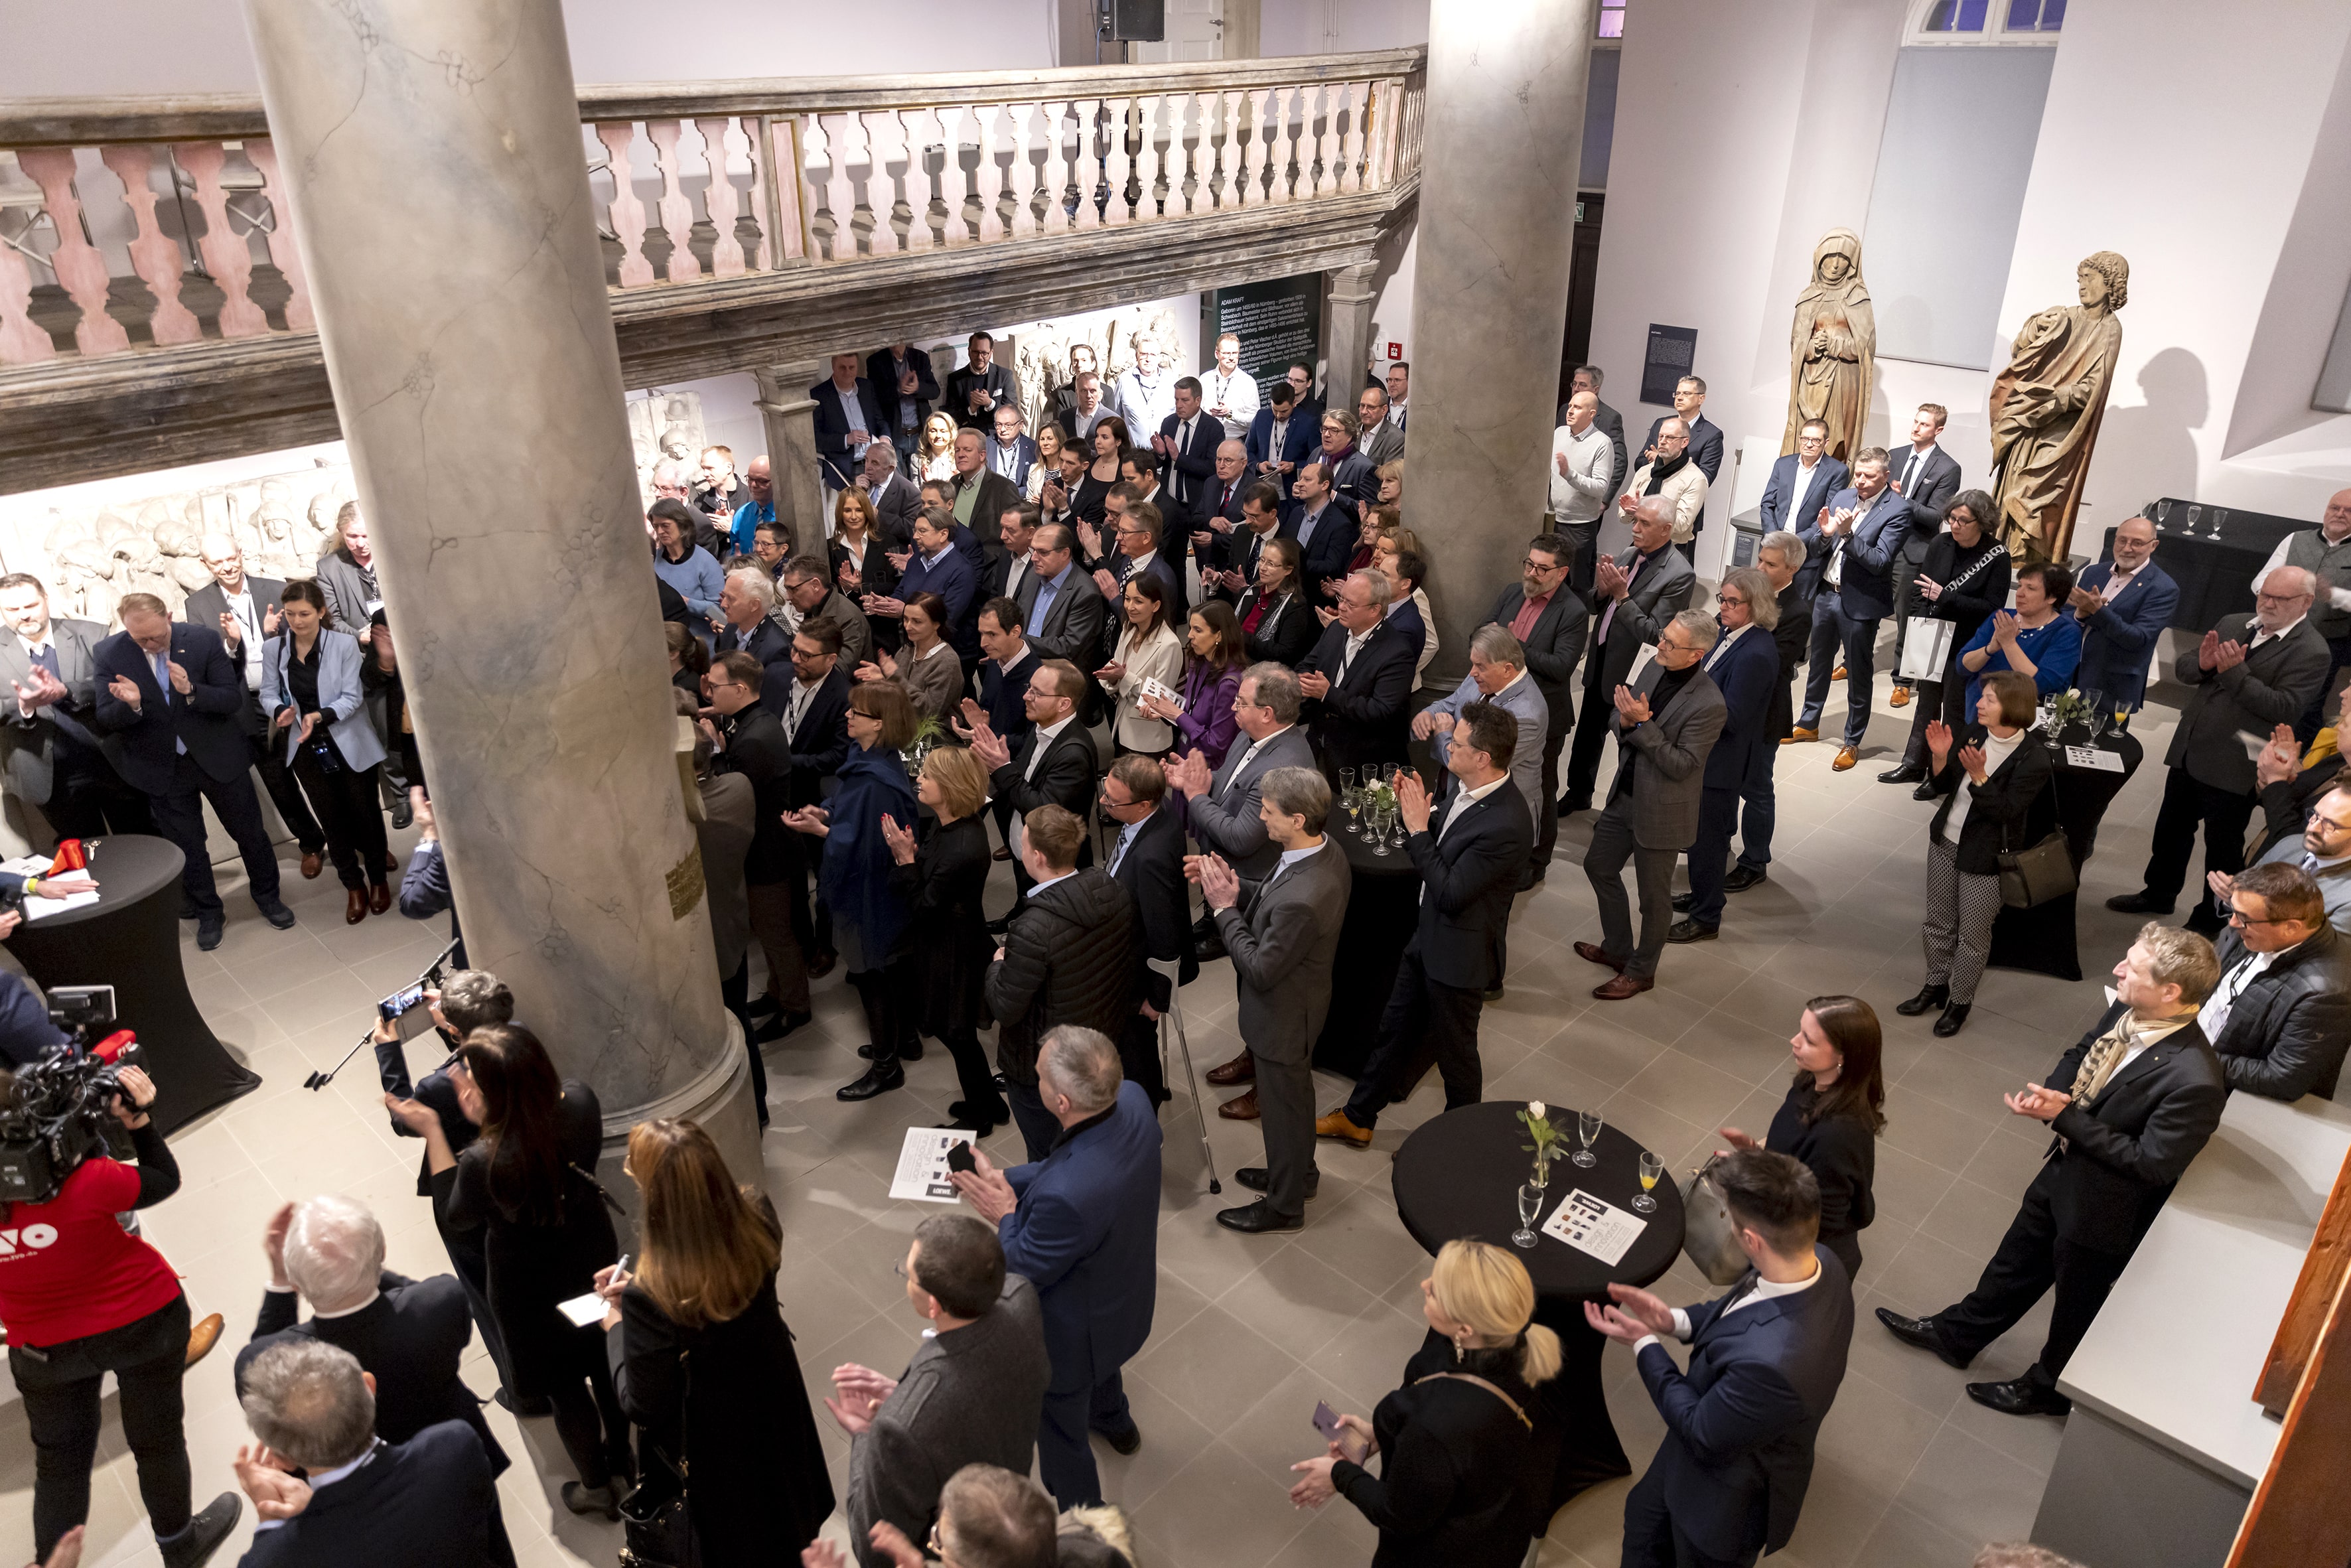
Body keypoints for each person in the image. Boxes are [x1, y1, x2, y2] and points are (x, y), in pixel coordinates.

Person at [1879, 925, 2227, 1417]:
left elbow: (2152, 1162)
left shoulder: (2194, 1079)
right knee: (2015, 1260)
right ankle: (1956, 1335)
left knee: (2074, 1304)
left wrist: (2065, 1118)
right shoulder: (2131, 1008)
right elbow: (2082, 1049)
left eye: (2132, 966)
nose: (2117, 970)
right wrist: (2055, 1092)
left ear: (2171, 991)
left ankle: (2048, 1387)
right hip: (2065, 1167)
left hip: (2104, 1207)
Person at [0, 1060, 242, 1568]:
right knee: (157, 1440)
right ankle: (180, 1546)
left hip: (41, 1348)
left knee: (60, 1466)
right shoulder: (87, 1180)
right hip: (143, 1321)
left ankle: (53, 1564)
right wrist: (139, 1123)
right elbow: (161, 1179)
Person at [390, 1026, 630, 1515]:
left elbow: (456, 1216)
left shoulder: (486, 1158)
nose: (465, 1087)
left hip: (531, 1289)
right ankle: (626, 1457)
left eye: (473, 1080)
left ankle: (595, 1486)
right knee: (605, 1362)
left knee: (565, 1388)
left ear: (494, 1093)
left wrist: (438, 1130)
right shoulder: (581, 1101)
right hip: (591, 1258)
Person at [1588, 1149, 1853, 1568]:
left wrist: (1645, 1344)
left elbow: (1700, 1429)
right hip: (1696, 1452)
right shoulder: (1819, 1261)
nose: (1728, 1224)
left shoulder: (1775, 1365)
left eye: (1729, 1218)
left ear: (1752, 1241)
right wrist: (1671, 1320)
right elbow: (1744, 1307)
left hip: (1721, 1503)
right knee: (1642, 1519)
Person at [596, 1119, 832, 1564]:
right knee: (789, 1523)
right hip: (774, 1404)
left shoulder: (652, 1296)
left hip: (719, 1444)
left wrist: (616, 1324)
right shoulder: (757, 1212)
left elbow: (642, 1402)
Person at [948, 1027, 1161, 1509]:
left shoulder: (1069, 1197)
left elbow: (1021, 1264)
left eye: (1040, 1075)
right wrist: (1006, 1176)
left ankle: (1083, 1519)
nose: (1033, 1078)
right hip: (1125, 1295)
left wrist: (1003, 1212)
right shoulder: (1131, 1098)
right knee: (1105, 1372)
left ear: (1061, 1101)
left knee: (1061, 1434)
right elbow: (1070, 1164)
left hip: (1073, 1336)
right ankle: (1115, 1420)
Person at [236, 1196, 514, 1560]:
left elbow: (265, 1365)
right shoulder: (441, 1304)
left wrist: (282, 1283)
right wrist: (357, 1262)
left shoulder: (266, 1361)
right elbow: (411, 1296)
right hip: (441, 1472)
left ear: (299, 1284)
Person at [1320, 707, 1530, 1149]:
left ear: (1483, 757)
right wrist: (1418, 810)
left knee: (1456, 1058)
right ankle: (1358, 1117)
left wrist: (1416, 828)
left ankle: (1453, 1145)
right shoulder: (1464, 786)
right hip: (1428, 936)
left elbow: (1452, 891)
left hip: (1460, 953)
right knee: (1393, 1029)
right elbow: (1446, 839)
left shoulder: (1506, 823)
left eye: (1457, 744)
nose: (1447, 747)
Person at [1288, 1240, 1557, 1567]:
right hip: (1497, 1526)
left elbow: (1397, 1514)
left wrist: (1339, 1474)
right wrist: (1378, 1435)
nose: (1424, 1284)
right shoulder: (1515, 1343)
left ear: (1465, 1328)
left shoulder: (1437, 1428)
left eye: (1436, 1291)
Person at [825, 1215, 1051, 1568]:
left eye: (908, 1274)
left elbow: (874, 1546)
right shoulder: (1021, 1296)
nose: (905, 1277)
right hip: (1011, 1484)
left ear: (933, 1305)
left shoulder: (899, 1430)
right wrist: (905, 1396)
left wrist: (866, 1433)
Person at [2109, 568, 2330, 928]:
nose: (2267, 603)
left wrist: (2234, 672)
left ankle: (2213, 916)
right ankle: (2158, 893)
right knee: (2170, 830)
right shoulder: (2235, 622)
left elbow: (2285, 707)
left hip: (2235, 763)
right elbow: (2184, 669)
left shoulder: (2312, 650)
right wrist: (2202, 664)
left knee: (2222, 845)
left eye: (2280, 598)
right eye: (2264, 594)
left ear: (2306, 602)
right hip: (2190, 749)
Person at [1188, 766, 1350, 1229]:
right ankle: (1298, 1174)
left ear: (1298, 819)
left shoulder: (1306, 895)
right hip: (1299, 1003)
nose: (1260, 817)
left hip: (1284, 1014)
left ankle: (1284, 1204)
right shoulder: (1323, 850)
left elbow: (1260, 967)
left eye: (1269, 810)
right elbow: (1277, 894)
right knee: (1293, 1101)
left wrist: (1222, 908)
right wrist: (1238, 889)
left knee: (1282, 1111)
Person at [92, 593, 295, 950]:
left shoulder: (201, 639)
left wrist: (191, 691)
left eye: (157, 636)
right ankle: (209, 913)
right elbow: (106, 718)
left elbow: (231, 700)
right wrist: (133, 706)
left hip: (219, 757)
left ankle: (268, 898)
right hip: (162, 768)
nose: (151, 645)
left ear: (168, 617)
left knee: (250, 833)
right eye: (141, 640)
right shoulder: (110, 653)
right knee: (188, 847)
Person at [233, 1340, 500, 1568]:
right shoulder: (453, 1446)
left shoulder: (275, 1558)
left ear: (282, 1460)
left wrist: (272, 1524)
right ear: (369, 1387)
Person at [1896, 672, 2054, 1038]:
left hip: (1985, 857)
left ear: (2012, 707)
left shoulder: (2033, 759)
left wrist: (1981, 777)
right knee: (1937, 921)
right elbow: (1944, 785)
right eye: (1982, 697)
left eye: (1989, 700)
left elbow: (2005, 812)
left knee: (1973, 935)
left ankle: (1960, 1002)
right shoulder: (1974, 732)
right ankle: (1935, 986)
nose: (1979, 705)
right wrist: (1939, 758)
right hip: (1945, 840)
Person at [1579, 610, 1727, 999]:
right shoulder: (1654, 664)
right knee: (1598, 866)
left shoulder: (1710, 704)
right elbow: (1618, 711)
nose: (1660, 645)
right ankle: (1617, 949)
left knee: (1654, 900)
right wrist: (1628, 723)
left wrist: (1643, 726)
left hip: (1662, 809)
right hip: (1624, 796)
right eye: (1664, 636)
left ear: (1695, 655)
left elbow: (1683, 765)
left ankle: (1642, 971)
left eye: (1670, 643)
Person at [787, 680, 920, 1101]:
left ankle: (886, 1066)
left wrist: (822, 828)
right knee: (891, 969)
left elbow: (864, 843)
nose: (847, 717)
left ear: (878, 725)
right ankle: (905, 1039)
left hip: (871, 893)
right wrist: (825, 811)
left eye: (856, 713)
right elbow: (848, 807)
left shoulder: (877, 780)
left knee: (871, 974)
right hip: (874, 887)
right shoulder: (867, 759)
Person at [984, 808, 1140, 1160]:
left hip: (1043, 1064)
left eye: (1022, 844)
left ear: (1037, 856)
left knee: (1046, 1157)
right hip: (1098, 1043)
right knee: (1088, 1145)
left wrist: (997, 965)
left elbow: (1005, 1008)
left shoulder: (1032, 929)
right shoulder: (1111, 889)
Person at [882, 745, 1007, 1130]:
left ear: (950, 787)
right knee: (957, 1033)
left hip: (954, 949)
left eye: (928, 775)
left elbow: (924, 907)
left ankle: (982, 1116)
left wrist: (905, 861)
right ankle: (988, 1104)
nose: (919, 778)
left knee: (957, 1033)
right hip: (949, 939)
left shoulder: (963, 847)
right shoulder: (949, 825)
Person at [1718, 998, 1883, 1280]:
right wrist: (1757, 1154)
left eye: (1809, 1039)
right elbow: (1796, 1151)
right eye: (1799, 1030)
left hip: (1801, 1260)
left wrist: (1749, 1183)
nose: (1794, 1041)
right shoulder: (1811, 1081)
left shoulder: (1837, 1136)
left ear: (1843, 1055)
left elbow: (1814, 1222)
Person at [185, 539, 324, 869]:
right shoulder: (199, 605)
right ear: (206, 565)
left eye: (231, 557)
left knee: (319, 772)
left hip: (293, 696)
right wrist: (231, 644)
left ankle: (348, 837)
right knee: (278, 781)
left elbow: (312, 637)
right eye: (218, 562)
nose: (228, 566)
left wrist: (272, 638)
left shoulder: (277, 589)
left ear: (241, 555)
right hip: (247, 707)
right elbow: (204, 662)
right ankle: (312, 843)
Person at [260, 580, 390, 925]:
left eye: (304, 614)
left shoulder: (344, 644)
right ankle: (353, 885)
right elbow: (268, 693)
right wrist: (279, 711)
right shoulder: (275, 649)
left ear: (321, 612)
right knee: (331, 819)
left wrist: (319, 715)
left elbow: (352, 697)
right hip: (304, 746)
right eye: (290, 614)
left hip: (347, 739)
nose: (297, 621)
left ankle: (377, 879)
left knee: (366, 814)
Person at [1561, 498, 1695, 814]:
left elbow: (1657, 635)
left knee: (1628, 745)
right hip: (1601, 661)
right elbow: (1597, 606)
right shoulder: (1628, 553)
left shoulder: (1679, 574)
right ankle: (1578, 793)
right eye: (1635, 521)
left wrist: (1622, 597)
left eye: (1644, 524)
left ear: (1666, 529)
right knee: (1587, 737)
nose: (1635, 528)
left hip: (1634, 673)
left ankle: (1619, 813)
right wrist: (1605, 591)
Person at [705, 651, 812, 1040]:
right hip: (768, 848)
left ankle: (796, 1006)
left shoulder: (753, 738)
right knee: (769, 932)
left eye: (714, 686)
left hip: (769, 854)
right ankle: (776, 992)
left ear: (740, 688)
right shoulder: (753, 722)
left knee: (777, 935)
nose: (710, 692)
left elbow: (738, 796)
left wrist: (716, 755)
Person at [1672, 567, 1783, 944]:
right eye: (1722, 598)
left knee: (1710, 839)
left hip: (1723, 762)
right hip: (1709, 756)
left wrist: (1689, 708)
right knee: (1702, 837)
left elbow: (1733, 717)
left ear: (1757, 605)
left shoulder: (1756, 653)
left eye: (1732, 602)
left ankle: (1706, 917)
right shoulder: (1729, 635)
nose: (1723, 607)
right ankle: (1704, 894)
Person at [1791, 447, 1918, 772]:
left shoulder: (1898, 510)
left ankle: (1852, 741)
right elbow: (1822, 546)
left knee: (1859, 675)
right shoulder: (1844, 497)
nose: (1860, 481)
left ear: (1886, 477)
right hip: (1826, 593)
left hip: (1860, 602)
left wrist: (1847, 535)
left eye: (1869, 476)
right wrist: (1825, 534)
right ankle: (1808, 723)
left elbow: (1879, 562)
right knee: (1817, 664)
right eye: (1858, 474)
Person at [0, 572, 151, 842]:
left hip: (113, 763)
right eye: (12, 609)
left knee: (144, 842)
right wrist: (23, 706)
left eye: (31, 605)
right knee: (89, 858)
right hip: (49, 776)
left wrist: (69, 691)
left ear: (46, 599)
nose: (23, 615)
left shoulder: (92, 633)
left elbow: (125, 683)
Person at [1880, 490, 2011, 790]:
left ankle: (1944, 776)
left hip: (1966, 642)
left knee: (1953, 710)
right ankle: (1914, 763)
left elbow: (1992, 608)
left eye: (1963, 520)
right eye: (1952, 518)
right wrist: (1914, 628)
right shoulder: (1941, 543)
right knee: (1926, 704)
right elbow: (1921, 590)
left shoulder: (1998, 555)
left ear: (1983, 522)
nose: (1955, 525)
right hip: (1932, 634)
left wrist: (1947, 598)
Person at [2196, 862, 2350, 1101]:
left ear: (2291, 928)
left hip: (2222, 1090)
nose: (2233, 923)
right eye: (2234, 911)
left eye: (2243, 917)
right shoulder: (2256, 930)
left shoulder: (2326, 994)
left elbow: (2283, 1078)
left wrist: (2191, 1058)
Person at [1099, 754, 1193, 1107]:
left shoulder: (1151, 858)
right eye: (1105, 792)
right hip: (1127, 940)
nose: (1104, 803)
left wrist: (1157, 998)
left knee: (1135, 1050)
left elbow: (1163, 929)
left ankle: (1144, 1117)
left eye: (1112, 799)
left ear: (1143, 804)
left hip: (1137, 976)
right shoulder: (1158, 811)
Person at [969, 659, 1100, 905]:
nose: (1026, 697)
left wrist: (1002, 768)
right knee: (1026, 896)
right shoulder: (1041, 727)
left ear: (1064, 703)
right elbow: (1025, 772)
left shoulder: (1073, 753)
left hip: (1052, 860)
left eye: (1037, 693)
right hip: (1028, 845)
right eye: (1030, 688)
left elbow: (1043, 809)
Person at [1732, 530, 1814, 892]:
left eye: (1770, 564)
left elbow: (1772, 665)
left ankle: (1754, 860)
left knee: (1756, 787)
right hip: (1732, 703)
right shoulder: (1748, 595)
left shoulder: (1797, 612)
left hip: (1764, 712)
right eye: (1760, 560)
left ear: (1792, 569)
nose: (1760, 568)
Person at [688, 722, 762, 1121]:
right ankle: (760, 1105)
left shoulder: (690, 817)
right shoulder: (739, 786)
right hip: (734, 913)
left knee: (727, 1026)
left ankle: (747, 1111)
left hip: (709, 931)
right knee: (740, 1015)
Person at [1414, 626, 1547, 828]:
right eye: (1473, 664)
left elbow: (1475, 765)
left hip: (1495, 818)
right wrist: (1428, 714)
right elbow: (1452, 703)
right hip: (1454, 795)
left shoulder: (1526, 715)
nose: (1472, 672)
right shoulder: (1482, 676)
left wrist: (1443, 735)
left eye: (1480, 666)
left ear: (1507, 669)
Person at [2251, 486, 2351, 736]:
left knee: (2308, 705)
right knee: (2262, 689)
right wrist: (2282, 592)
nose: (2340, 514)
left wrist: (2333, 595)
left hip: (2328, 641)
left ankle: (2299, 763)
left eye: (2349, 511)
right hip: (2277, 633)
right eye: (2334, 508)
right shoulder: (2295, 539)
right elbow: (2259, 581)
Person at [1298, 569, 1415, 780]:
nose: (1341, 607)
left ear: (1375, 610)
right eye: (1342, 599)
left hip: (1363, 763)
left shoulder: (1397, 653)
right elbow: (1308, 664)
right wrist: (1304, 681)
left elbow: (1381, 711)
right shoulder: (1336, 629)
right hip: (1319, 747)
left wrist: (1327, 694)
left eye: (1351, 605)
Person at [1885, 403, 1963, 706]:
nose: (1916, 428)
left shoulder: (1947, 467)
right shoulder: (1896, 455)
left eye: (1924, 425)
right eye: (1916, 422)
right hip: (1882, 542)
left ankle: (1903, 680)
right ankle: (1853, 663)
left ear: (1938, 430)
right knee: (1866, 605)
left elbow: (1935, 517)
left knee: (1906, 616)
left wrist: (1902, 500)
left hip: (1914, 548)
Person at [2068, 512, 2178, 721]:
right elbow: (2068, 615)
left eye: (2137, 543)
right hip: (2069, 675)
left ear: (2153, 546)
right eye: (2122, 540)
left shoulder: (2163, 588)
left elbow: (2138, 639)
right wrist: (2079, 615)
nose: (2127, 548)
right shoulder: (2094, 573)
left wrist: (2098, 612)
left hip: (2110, 688)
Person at [2237, 745, 2351, 930]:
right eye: (2314, 816)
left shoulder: (2345, 899)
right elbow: (2286, 799)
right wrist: (2274, 779)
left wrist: (2275, 780)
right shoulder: (2339, 761)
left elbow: (2289, 831)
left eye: (2330, 825)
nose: (2312, 827)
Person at [1954, 560, 2084, 713]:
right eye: (2020, 585)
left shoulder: (2066, 632)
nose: (2020, 593)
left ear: (2052, 598)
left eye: (2030, 588)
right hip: (1980, 712)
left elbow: (2040, 684)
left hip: (2023, 717)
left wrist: (2009, 644)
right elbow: (1962, 666)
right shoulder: (2002, 617)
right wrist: (1990, 649)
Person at [1134, 599, 1245, 772]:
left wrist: (1176, 714)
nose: (1189, 635)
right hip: (1186, 756)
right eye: (1191, 628)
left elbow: (1215, 744)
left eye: (1198, 630)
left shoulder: (1230, 684)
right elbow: (1190, 710)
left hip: (1208, 770)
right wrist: (1165, 712)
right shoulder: (1199, 662)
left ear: (1219, 635)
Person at [1097, 575, 1184, 758]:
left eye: (1138, 601)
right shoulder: (1129, 629)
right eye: (1127, 599)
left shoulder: (1169, 644)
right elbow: (1117, 666)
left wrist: (1123, 677)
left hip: (1149, 736)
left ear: (1156, 606)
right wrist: (1112, 677)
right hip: (1123, 726)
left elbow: (1158, 698)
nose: (1130, 606)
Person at [855, 591, 962, 722]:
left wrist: (893, 677)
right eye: (905, 619)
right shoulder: (906, 650)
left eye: (917, 622)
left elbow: (928, 713)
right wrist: (882, 680)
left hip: (935, 738)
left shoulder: (947, 662)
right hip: (903, 729)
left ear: (936, 624)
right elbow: (896, 698)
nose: (908, 627)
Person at [1019, 523, 1110, 674]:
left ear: (1065, 554)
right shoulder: (1032, 577)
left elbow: (1069, 647)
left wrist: (1019, 643)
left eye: (1042, 552)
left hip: (1058, 679)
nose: (1034, 558)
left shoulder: (1085, 593)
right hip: (1023, 668)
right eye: (1033, 550)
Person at [1549, 391, 1614, 597]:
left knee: (1576, 586)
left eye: (1577, 408)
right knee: (1550, 579)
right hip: (1552, 519)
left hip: (1580, 526)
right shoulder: (1559, 433)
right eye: (1570, 406)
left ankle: (1575, 626)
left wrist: (1570, 474)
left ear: (1591, 414)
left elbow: (1600, 487)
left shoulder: (1602, 443)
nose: (1570, 411)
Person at [1616, 415, 1707, 558]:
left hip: (1672, 551)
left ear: (1685, 442)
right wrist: (1631, 511)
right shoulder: (1645, 471)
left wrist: (1646, 512)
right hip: (1640, 546)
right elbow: (1623, 517)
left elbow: (1682, 524)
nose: (1663, 442)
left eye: (1670, 438)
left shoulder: (1695, 478)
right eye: (1661, 436)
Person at [650, 497, 724, 648]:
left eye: (665, 525)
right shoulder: (654, 560)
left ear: (682, 525)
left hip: (699, 646)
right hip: (663, 644)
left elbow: (719, 611)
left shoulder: (705, 562)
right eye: (656, 526)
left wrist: (685, 602)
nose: (660, 531)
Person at [782, 551, 874, 672]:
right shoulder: (812, 607)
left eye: (793, 589)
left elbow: (839, 670)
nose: (788, 597)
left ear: (815, 585)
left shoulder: (849, 618)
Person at [1754, 417, 1847, 536]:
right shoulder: (1783, 464)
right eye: (1805, 439)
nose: (1809, 445)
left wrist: (1797, 542)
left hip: (1806, 546)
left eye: (1816, 440)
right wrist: (1773, 535)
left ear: (1826, 442)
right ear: (1800, 439)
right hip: (1774, 540)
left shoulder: (1838, 471)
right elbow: (1767, 504)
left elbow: (1828, 513)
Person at [1236, 535, 1318, 668]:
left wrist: (1243, 638)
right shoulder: (1250, 592)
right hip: (1236, 660)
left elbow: (1285, 653)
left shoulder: (1294, 604)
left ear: (1288, 570)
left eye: (1271, 564)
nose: (1262, 568)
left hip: (1265, 672)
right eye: (1262, 560)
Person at [814, 352, 889, 492]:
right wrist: (846, 439)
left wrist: (885, 437)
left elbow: (880, 420)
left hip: (875, 460)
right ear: (833, 366)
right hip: (846, 467)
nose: (848, 372)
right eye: (842, 367)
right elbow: (816, 438)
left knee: (884, 506)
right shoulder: (819, 395)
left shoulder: (866, 387)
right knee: (855, 511)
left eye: (852, 367)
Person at [1289, 459, 1362, 599]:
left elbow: (1332, 566)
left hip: (1314, 597)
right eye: (1301, 479)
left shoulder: (1340, 524)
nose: (1300, 484)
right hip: (1288, 591)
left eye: (1308, 480)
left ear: (1325, 485)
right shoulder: (1295, 513)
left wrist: (1293, 564)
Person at [1151, 378, 1222, 522]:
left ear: (1198, 401)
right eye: (1176, 400)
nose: (1179, 405)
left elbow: (1212, 469)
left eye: (1185, 400)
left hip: (1196, 507)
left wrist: (1179, 458)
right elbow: (1160, 462)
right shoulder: (1169, 423)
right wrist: (1161, 454)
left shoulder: (1213, 428)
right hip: (1168, 505)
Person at [311, 502, 384, 642]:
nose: (361, 544)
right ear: (340, 530)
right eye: (353, 536)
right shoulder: (329, 568)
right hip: (361, 652)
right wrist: (360, 637)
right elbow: (331, 619)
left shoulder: (393, 559)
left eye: (366, 536)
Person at [946, 427, 1023, 556]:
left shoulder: (1003, 487)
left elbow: (1013, 533)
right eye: (957, 450)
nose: (960, 455)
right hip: (955, 563)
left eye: (967, 450)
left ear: (982, 455)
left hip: (988, 566)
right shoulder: (953, 483)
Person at [1556, 363, 1628, 496]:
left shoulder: (1610, 418)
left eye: (1582, 385)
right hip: (1559, 494)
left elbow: (1619, 462)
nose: (1577, 389)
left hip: (1589, 498)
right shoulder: (1565, 410)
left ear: (1595, 389)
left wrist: (1605, 499)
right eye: (1574, 384)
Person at [1642, 374, 1725, 484]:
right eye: (1677, 394)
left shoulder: (1711, 435)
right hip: (1651, 493)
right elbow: (1640, 462)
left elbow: (1705, 478)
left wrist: (1661, 461)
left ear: (1701, 399)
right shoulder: (1661, 424)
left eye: (1686, 394)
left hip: (1683, 498)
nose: (1680, 398)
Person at [1246, 377, 1315, 502]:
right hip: (1262, 489)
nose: (1279, 415)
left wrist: (1294, 466)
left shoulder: (1308, 423)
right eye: (1275, 410)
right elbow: (1248, 451)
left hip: (1291, 493)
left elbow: (1316, 459)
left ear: (1294, 403)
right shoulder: (1261, 417)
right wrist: (1258, 465)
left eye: (1284, 411)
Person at [868, 342, 941, 459]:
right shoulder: (876, 361)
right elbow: (875, 397)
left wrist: (918, 387)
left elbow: (935, 391)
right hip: (894, 434)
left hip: (920, 433)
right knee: (896, 477)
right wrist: (898, 389)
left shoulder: (920, 358)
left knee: (922, 476)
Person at [713, 567, 790, 674]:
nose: (723, 604)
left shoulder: (778, 648)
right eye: (724, 596)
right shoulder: (731, 629)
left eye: (731, 599)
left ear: (754, 605)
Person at [948, 331, 1020, 430]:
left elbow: (1012, 413)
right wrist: (971, 410)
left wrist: (990, 403)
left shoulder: (1004, 375)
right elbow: (951, 417)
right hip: (969, 436)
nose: (979, 357)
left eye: (984, 353)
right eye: (976, 352)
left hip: (998, 435)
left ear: (991, 353)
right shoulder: (955, 379)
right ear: (969, 351)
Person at [1109, 331, 1175, 439]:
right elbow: (1114, 416)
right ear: (1136, 356)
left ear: (1159, 358)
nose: (1148, 359)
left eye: (1153, 355)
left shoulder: (1171, 380)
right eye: (1144, 354)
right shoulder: (1124, 380)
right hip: (1133, 452)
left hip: (1165, 452)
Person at [1201, 330, 1261, 439]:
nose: (1231, 358)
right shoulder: (1205, 379)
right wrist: (1209, 415)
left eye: (1235, 353)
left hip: (1236, 441)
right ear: (1217, 354)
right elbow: (1197, 411)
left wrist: (1230, 414)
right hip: (1208, 440)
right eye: (1227, 353)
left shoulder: (1248, 382)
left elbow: (1255, 418)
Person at [1318, 409, 1378, 509]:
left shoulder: (1364, 467)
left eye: (1334, 431)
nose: (1327, 434)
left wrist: (1334, 496)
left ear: (1349, 436)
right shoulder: (1316, 454)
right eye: (1325, 429)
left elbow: (1370, 509)